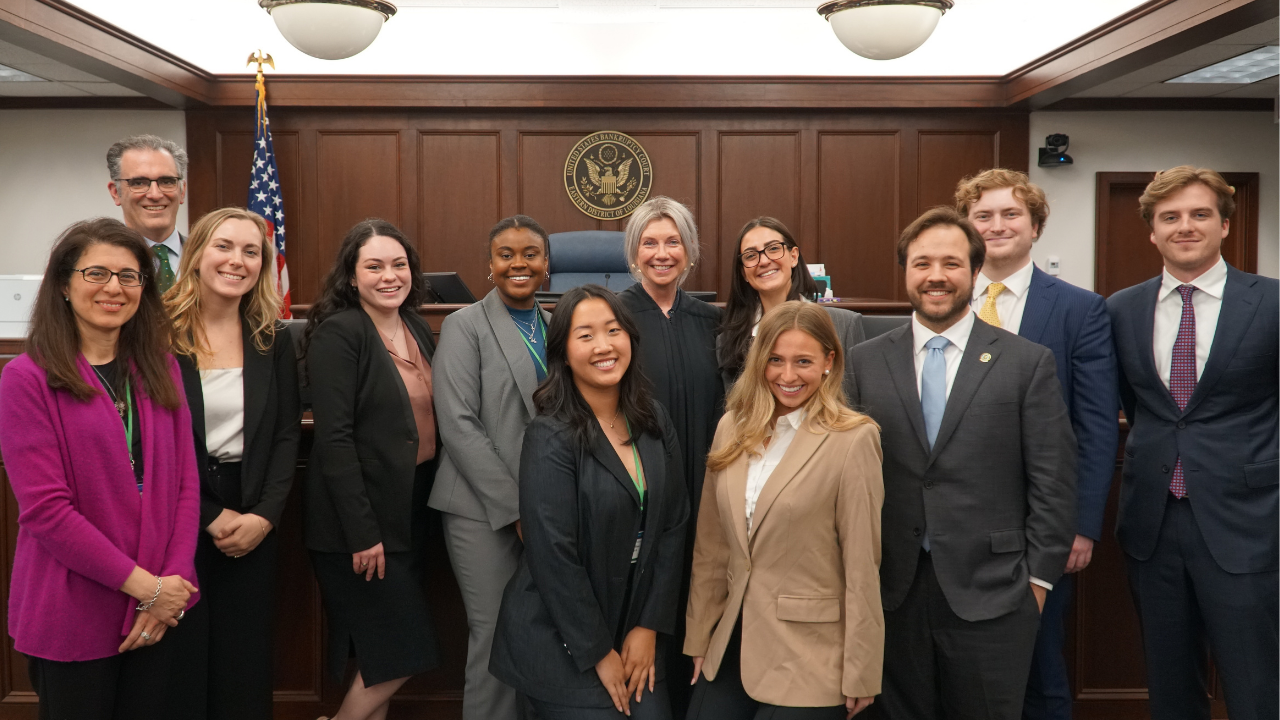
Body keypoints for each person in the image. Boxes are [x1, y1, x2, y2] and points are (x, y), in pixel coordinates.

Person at [848, 207, 1076, 720]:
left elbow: (1054, 482)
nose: (935, 276)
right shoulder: (864, 360)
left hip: (994, 595)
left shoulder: (1026, 362)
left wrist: (1036, 585)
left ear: (975, 272)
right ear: (904, 272)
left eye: (950, 263)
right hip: (892, 594)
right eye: (921, 263)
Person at [0, 218, 200, 718]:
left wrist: (169, 586)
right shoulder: (26, 379)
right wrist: (146, 588)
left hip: (159, 609)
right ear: (64, 285)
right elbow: (47, 512)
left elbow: (185, 485)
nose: (115, 288)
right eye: (96, 274)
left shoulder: (160, 364)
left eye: (129, 276)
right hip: (73, 606)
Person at [1107, 166, 1277, 720]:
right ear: (1152, 232)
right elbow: (1144, 411)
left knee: (1256, 686)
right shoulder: (1119, 310)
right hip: (1153, 526)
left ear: (1225, 225)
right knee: (1170, 686)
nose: (1186, 226)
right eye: (1170, 218)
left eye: (1200, 214)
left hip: (1248, 524)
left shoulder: (1270, 304)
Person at [955, 169, 1119, 720]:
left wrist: (1080, 524)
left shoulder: (1080, 310)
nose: (996, 226)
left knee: (1039, 667)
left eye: (1010, 214)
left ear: (1036, 225)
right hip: (957, 522)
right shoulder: (943, 299)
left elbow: (1095, 426)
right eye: (983, 216)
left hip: (1040, 524)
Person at [490, 284, 689, 720]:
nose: (604, 346)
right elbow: (552, 555)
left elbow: (674, 525)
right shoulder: (550, 435)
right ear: (561, 352)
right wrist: (598, 651)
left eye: (613, 330)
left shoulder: (654, 419)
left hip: (635, 622)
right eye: (585, 335)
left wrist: (649, 624)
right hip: (562, 636)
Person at [685, 300, 883, 719]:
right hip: (730, 647)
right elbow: (712, 547)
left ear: (830, 361)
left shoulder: (854, 440)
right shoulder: (730, 428)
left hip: (811, 657)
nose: (787, 376)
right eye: (775, 360)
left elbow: (863, 564)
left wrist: (862, 670)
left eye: (803, 361)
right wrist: (701, 639)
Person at [164, 207, 302, 720]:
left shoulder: (274, 338)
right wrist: (205, 513)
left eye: (251, 251)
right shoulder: (156, 333)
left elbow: (287, 434)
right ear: (197, 253)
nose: (237, 261)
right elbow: (151, 446)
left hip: (252, 509)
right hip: (179, 507)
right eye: (224, 246)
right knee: (181, 654)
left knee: (244, 661)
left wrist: (265, 516)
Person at [302, 219, 441, 720]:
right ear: (352, 275)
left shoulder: (417, 327)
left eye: (399, 264)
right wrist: (363, 533)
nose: (390, 276)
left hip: (411, 510)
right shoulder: (340, 333)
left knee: (380, 655)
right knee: (404, 651)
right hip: (356, 526)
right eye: (374, 266)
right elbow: (333, 440)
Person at [430, 214, 553, 720]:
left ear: (548, 265)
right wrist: (515, 507)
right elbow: (458, 425)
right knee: (494, 635)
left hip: (545, 505)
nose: (518, 264)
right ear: (490, 264)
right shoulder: (464, 325)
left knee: (535, 632)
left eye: (530, 254)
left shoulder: (556, 323)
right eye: (507, 254)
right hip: (481, 508)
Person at [617, 196, 723, 717]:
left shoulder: (713, 321)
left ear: (690, 250)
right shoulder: (615, 317)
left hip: (709, 494)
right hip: (641, 495)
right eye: (650, 242)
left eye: (673, 241)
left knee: (699, 608)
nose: (662, 253)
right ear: (634, 252)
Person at [717, 217, 864, 400]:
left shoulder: (844, 325)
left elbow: (855, 406)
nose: (763, 261)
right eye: (751, 256)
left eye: (773, 249)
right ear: (743, 273)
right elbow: (735, 410)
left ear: (793, 256)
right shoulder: (729, 340)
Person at [107, 135, 189, 292]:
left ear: (182, 190)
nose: (155, 195)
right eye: (138, 183)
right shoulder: (95, 263)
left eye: (166, 181)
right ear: (115, 193)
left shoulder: (208, 259)